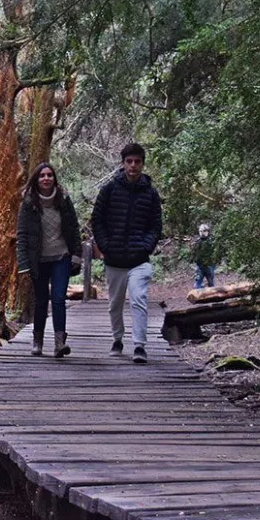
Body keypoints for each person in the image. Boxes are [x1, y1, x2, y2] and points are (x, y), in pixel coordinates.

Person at [90, 143, 163, 364]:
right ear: (123, 164)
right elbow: (97, 219)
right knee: (115, 304)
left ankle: (140, 345)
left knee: (139, 298)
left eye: (137, 162)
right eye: (129, 161)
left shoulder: (150, 193)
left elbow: (155, 225)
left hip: (139, 260)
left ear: (142, 164)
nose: (133, 166)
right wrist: (105, 244)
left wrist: (146, 245)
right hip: (114, 259)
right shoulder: (110, 190)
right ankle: (117, 339)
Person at [16, 163, 81, 358]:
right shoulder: (28, 203)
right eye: (42, 176)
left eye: (49, 175)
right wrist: (23, 263)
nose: (46, 178)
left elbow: (73, 227)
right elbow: (22, 234)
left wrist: (77, 254)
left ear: (54, 178)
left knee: (59, 298)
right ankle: (37, 340)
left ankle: (60, 343)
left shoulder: (64, 199)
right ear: (36, 180)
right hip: (38, 259)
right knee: (41, 300)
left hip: (61, 256)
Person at [191, 223, 215, 289]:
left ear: (208, 232)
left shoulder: (211, 242)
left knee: (211, 283)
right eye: (200, 231)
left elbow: (214, 254)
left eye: (204, 231)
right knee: (197, 283)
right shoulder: (197, 242)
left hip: (209, 265)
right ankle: (198, 296)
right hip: (199, 266)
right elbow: (194, 253)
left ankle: (213, 297)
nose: (202, 233)